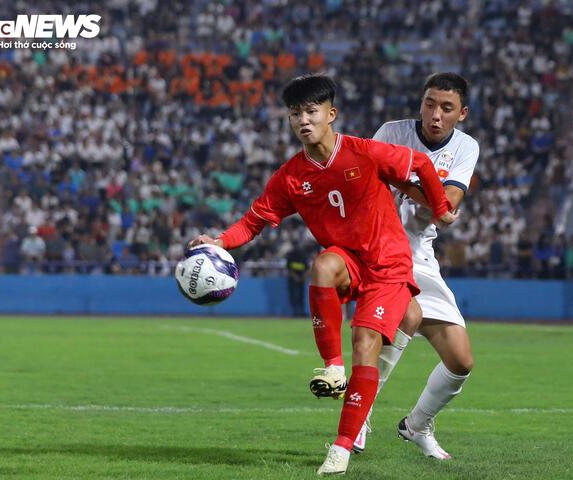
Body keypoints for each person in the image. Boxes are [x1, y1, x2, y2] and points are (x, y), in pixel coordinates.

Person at [188, 74, 457, 475]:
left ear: (331, 114)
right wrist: (220, 243)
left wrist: (441, 208)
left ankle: (343, 447)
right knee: (322, 264)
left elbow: (419, 162)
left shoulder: (363, 152)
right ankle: (332, 365)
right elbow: (254, 221)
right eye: (295, 114)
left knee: (366, 342)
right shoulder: (291, 177)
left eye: (311, 111)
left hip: (387, 264)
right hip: (347, 260)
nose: (303, 120)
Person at [320, 73, 478, 457]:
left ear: (462, 114)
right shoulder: (392, 132)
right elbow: (360, 180)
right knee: (406, 313)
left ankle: (417, 425)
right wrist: (423, 187)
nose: (435, 114)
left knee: (461, 362)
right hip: (380, 250)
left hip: (421, 255)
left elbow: (448, 204)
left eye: (446, 108)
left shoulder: (465, 147)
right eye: (429, 103)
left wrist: (402, 180)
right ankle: (360, 417)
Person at [285, 241, 309, 317]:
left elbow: (307, 268)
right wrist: (297, 277)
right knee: (294, 296)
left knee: (301, 296)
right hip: (294, 280)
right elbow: (289, 269)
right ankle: (295, 312)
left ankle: (301, 312)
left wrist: (302, 277)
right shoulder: (291, 255)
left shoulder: (303, 255)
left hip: (300, 279)